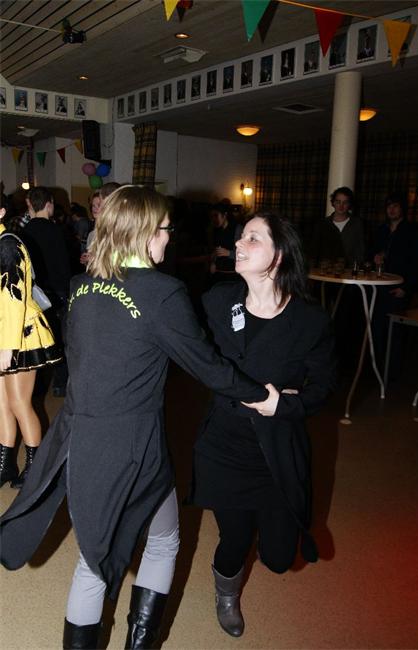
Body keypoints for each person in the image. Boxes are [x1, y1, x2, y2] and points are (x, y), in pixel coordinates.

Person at [0, 186, 276, 650]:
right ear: (147, 233)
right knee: (154, 546)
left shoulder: (82, 286)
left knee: (94, 559)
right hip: (132, 445)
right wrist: (261, 395)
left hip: (79, 436)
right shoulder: (162, 293)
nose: (170, 237)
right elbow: (207, 366)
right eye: (166, 229)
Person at [191, 212, 337, 637]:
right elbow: (178, 337)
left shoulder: (309, 321)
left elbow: (324, 386)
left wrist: (285, 405)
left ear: (279, 256)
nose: (239, 243)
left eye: (252, 239)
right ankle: (226, 594)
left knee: (278, 557)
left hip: (276, 450)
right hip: (224, 448)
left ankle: (265, 533)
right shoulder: (218, 300)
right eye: (241, 237)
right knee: (235, 539)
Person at [0, 195, 60, 490]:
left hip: (18, 336)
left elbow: (13, 299)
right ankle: (6, 465)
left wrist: (7, 347)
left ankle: (36, 468)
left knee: (19, 402)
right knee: (2, 403)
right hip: (5, 334)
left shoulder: (7, 245)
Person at [23, 187, 71, 397]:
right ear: (49, 204)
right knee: (60, 339)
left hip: (35, 294)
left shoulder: (23, 232)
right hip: (57, 292)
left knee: (38, 341)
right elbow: (64, 265)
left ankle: (37, 388)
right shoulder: (58, 231)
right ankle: (60, 384)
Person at [371, 192, 418, 371]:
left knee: (395, 331)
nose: (391, 210)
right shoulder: (381, 230)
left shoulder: (413, 231)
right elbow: (371, 254)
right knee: (377, 326)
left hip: (399, 287)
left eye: (395, 206)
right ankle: (377, 367)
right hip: (379, 286)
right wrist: (375, 258)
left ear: (402, 208)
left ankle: (392, 369)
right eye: (389, 206)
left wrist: (406, 288)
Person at [309, 186, 365, 267]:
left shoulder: (357, 224)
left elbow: (361, 250)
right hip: (326, 270)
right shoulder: (322, 224)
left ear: (349, 204)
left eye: (345, 202)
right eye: (338, 202)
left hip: (349, 270)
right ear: (333, 203)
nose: (341, 206)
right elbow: (314, 250)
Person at [207, 203, 242, 285]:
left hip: (233, 275)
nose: (213, 219)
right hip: (218, 273)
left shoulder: (237, 229)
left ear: (225, 215)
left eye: (216, 215)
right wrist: (213, 262)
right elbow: (215, 251)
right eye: (212, 216)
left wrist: (229, 253)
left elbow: (243, 254)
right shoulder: (216, 230)